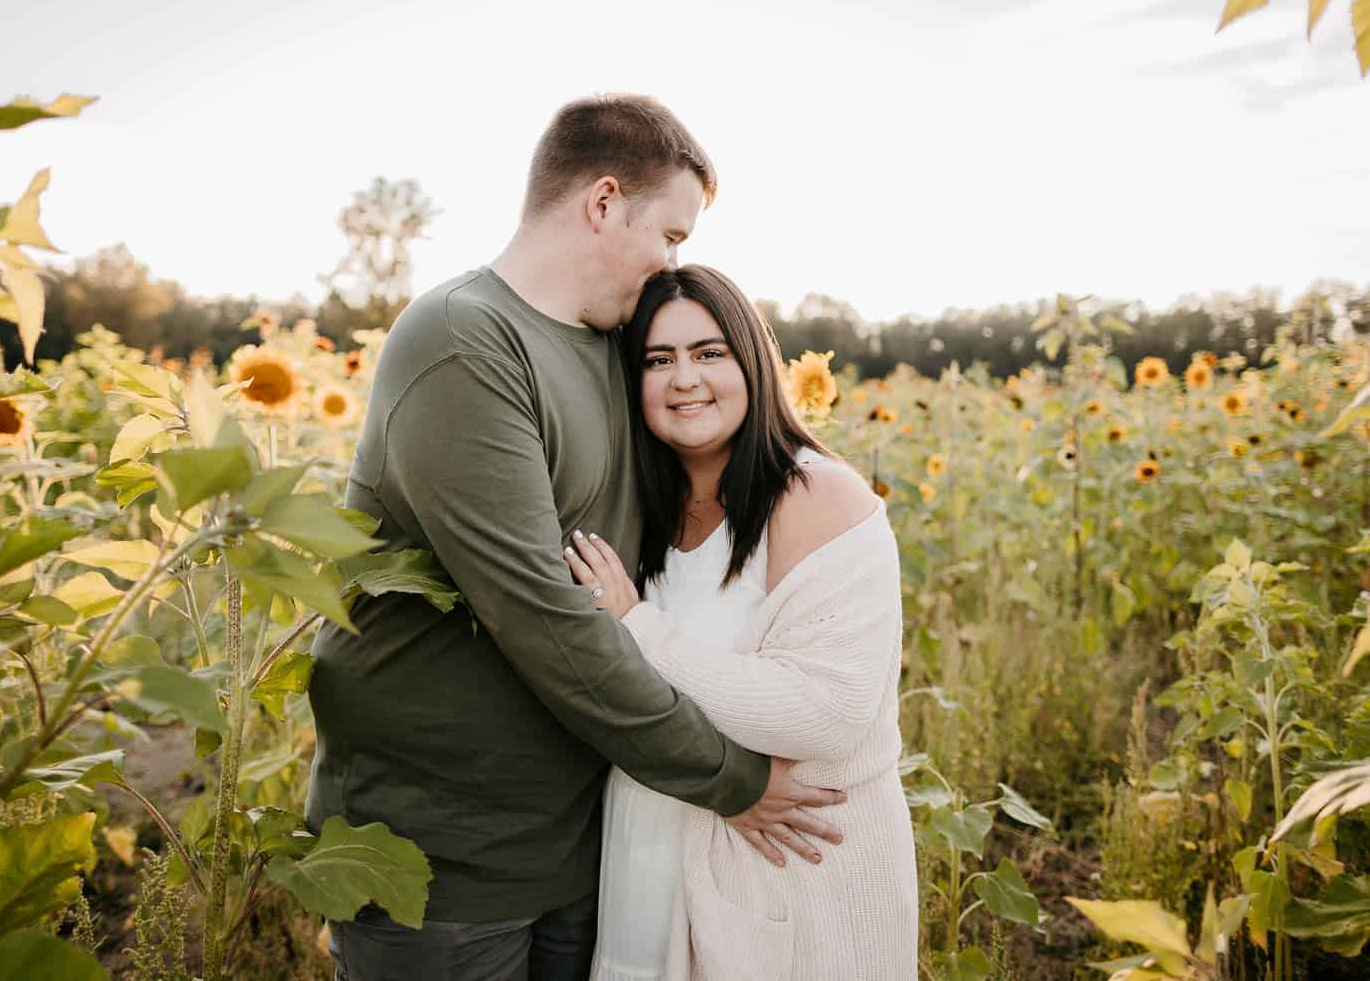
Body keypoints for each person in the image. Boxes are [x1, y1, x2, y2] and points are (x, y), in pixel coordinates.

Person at [305, 95, 846, 981]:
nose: (676, 261)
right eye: (670, 235)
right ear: (602, 203)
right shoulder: (463, 342)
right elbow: (544, 616)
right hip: (443, 859)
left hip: (582, 839)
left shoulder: (612, 350)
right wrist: (728, 778)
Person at [566, 265, 918, 980]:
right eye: (657, 361)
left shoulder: (819, 495)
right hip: (647, 852)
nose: (684, 379)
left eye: (708, 352)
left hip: (793, 871)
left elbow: (823, 712)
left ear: (752, 359)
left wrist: (637, 628)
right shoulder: (639, 511)